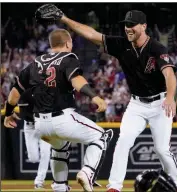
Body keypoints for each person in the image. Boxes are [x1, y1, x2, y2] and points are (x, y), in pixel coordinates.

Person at [34, 4, 177, 192]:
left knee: (162, 149)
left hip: (160, 103)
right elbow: (91, 34)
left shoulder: (156, 48)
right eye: (126, 24)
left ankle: (176, 183)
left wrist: (170, 97)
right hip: (137, 104)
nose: (128, 28)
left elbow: (169, 74)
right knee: (123, 142)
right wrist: (63, 19)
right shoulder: (121, 44)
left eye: (132, 24)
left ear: (143, 26)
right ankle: (114, 187)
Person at [4, 28, 113, 192]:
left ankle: (60, 187)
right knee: (101, 136)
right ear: (68, 43)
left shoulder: (34, 63)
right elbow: (76, 80)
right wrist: (94, 96)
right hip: (62, 118)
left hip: (40, 125)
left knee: (60, 149)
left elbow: (13, 94)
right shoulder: (68, 58)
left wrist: (8, 114)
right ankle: (87, 172)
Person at [18, 90, 51, 189]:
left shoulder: (46, 91)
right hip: (30, 127)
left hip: (44, 126)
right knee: (33, 158)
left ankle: (39, 181)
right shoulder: (25, 93)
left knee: (46, 152)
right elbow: (23, 114)